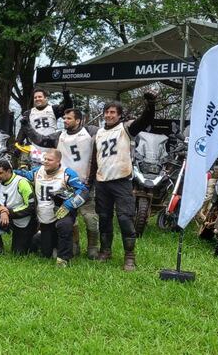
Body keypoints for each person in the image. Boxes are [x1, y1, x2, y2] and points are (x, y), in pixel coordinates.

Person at [19, 107, 100, 259]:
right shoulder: (59, 135)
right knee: (69, 219)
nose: (65, 120)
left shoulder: (90, 131)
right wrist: (26, 126)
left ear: (78, 120)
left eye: (69, 118)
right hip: (65, 186)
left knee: (90, 219)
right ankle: (74, 245)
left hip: (86, 185)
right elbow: (40, 139)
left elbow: (105, 135)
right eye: (64, 118)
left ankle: (93, 247)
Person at [90, 92, 156, 271]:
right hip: (102, 182)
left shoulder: (126, 129)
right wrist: (91, 180)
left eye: (113, 112)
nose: (109, 115)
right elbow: (95, 159)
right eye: (106, 112)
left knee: (125, 218)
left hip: (121, 181)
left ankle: (129, 256)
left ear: (119, 115)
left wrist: (150, 104)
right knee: (104, 218)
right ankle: (105, 251)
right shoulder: (99, 133)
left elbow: (144, 120)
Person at [15, 149, 89, 267]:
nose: (45, 161)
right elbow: (25, 175)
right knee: (46, 253)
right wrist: (11, 172)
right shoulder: (37, 171)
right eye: (45, 159)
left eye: (49, 160)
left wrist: (69, 204)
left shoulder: (67, 174)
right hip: (45, 218)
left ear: (58, 162)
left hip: (62, 213)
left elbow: (84, 191)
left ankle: (63, 258)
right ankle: (42, 238)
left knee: (64, 225)